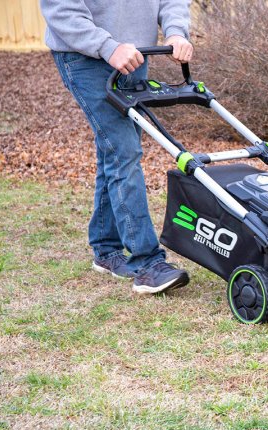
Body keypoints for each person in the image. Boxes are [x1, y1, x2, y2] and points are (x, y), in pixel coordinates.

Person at [40, 0, 193, 294]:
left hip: (135, 56)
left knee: (114, 150)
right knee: (124, 153)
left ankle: (106, 249)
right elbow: (61, 9)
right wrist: (108, 46)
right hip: (84, 57)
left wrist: (176, 32)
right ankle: (147, 263)